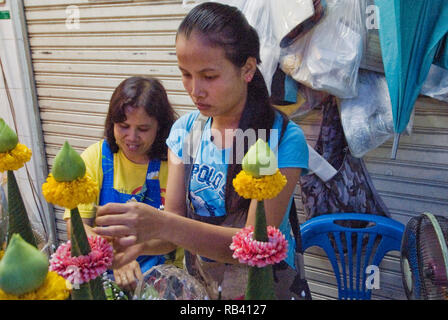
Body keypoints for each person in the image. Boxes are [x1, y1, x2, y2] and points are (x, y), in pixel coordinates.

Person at [94, 2, 310, 300]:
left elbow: (253, 246)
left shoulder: (281, 138)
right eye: (186, 74)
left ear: (247, 69)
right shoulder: (184, 132)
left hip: (264, 290)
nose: (195, 90)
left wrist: (162, 224)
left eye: (209, 76)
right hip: (204, 290)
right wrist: (140, 242)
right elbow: (172, 232)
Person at [63, 76, 182, 293]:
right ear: (112, 123)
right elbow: (76, 226)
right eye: (123, 126)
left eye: (143, 129)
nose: (132, 137)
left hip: (163, 277)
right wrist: (116, 257)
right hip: (105, 271)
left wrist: (136, 251)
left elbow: (176, 235)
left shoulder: (174, 163)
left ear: (160, 127)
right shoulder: (95, 158)